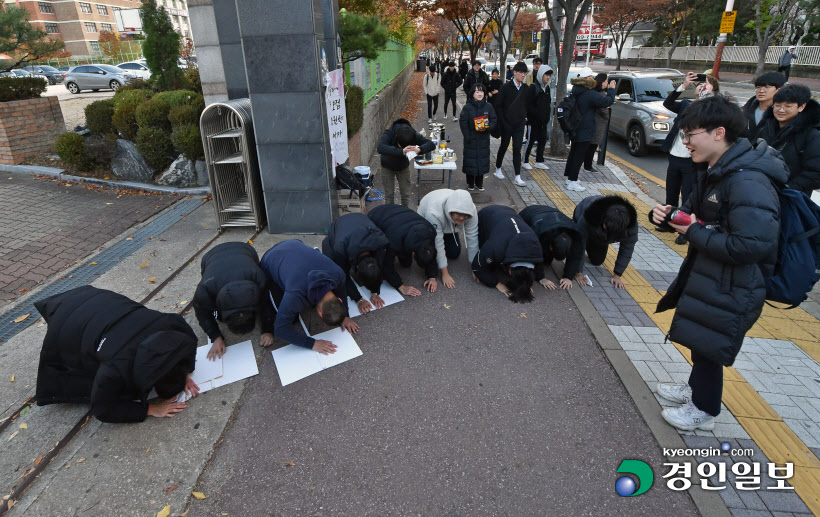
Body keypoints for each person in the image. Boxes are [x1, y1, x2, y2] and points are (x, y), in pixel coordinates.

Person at [651, 95, 786, 431]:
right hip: (714, 274)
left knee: (710, 347)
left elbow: (751, 246)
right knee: (702, 341)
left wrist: (693, 230)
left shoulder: (748, 180)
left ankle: (705, 410)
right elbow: (696, 215)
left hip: (735, 282)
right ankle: (696, 391)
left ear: (717, 132)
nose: (686, 143)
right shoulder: (717, 169)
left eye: (690, 135)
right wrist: (667, 217)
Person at [34, 286, 198, 423]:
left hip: (101, 300)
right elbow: (102, 409)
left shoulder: (169, 323)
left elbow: (188, 339)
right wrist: (151, 409)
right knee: (85, 377)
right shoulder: (115, 366)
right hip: (66, 320)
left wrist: (185, 370)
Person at [261, 240, 359, 355]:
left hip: (295, 244)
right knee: (286, 314)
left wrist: (345, 316)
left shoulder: (338, 274)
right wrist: (312, 343)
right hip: (270, 257)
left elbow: (342, 290)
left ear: (339, 300)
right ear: (320, 314)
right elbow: (280, 329)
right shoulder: (296, 295)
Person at [660, 71, 718, 245]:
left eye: (705, 85)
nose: (701, 87)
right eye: (699, 85)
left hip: (692, 160)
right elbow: (668, 103)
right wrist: (684, 85)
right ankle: (668, 222)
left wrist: (707, 97)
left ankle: (684, 230)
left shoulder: (710, 109)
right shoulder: (686, 104)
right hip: (675, 154)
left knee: (687, 196)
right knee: (671, 191)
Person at [192, 242, 275, 361]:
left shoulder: (259, 278)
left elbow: (267, 304)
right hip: (210, 257)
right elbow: (202, 313)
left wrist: (267, 330)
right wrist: (215, 337)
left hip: (246, 250)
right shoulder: (205, 290)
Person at [322, 213, 419, 313]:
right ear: (357, 267)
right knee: (334, 268)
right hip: (339, 226)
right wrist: (358, 299)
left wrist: (375, 292)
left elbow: (382, 265)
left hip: (360, 219)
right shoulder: (340, 248)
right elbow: (343, 276)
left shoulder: (381, 242)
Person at [471, 205, 544, 303]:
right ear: (510, 271)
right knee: (489, 263)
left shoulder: (535, 250)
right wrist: (496, 284)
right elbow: (477, 265)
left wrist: (535, 281)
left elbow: (538, 264)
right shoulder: (496, 248)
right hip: (488, 214)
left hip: (509, 213)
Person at [757, 83, 820, 195]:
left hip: (789, 197)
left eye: (788, 106)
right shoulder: (765, 126)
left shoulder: (812, 135)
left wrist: (787, 189)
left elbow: (815, 174)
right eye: (777, 105)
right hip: (759, 190)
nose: (781, 110)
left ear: (801, 107)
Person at [563, 68, 616, 192]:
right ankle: (573, 182)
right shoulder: (588, 93)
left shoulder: (577, 90)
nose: (593, 79)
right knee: (579, 156)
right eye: (591, 77)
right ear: (587, 79)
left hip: (576, 127)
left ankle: (569, 178)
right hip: (585, 129)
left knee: (574, 153)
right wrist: (612, 90)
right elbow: (606, 101)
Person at [571, 194, 638, 289]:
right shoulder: (590, 214)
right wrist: (578, 272)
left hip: (599, 234)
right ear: (604, 220)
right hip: (582, 217)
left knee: (597, 261)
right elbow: (579, 241)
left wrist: (617, 275)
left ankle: (592, 242)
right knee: (574, 242)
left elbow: (627, 249)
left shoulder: (631, 225)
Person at [368, 203, 439, 292]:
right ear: (413, 253)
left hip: (398, 214)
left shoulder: (430, 231)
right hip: (376, 215)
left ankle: (403, 254)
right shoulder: (393, 241)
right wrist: (401, 287)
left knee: (406, 263)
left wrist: (432, 276)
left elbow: (430, 254)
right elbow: (387, 265)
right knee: (379, 262)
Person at [417, 188, 479, 289]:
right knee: (431, 251)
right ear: (451, 210)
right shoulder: (433, 212)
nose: (462, 218)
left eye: (465, 216)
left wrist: (476, 267)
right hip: (427, 220)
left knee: (454, 253)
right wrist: (444, 272)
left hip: (449, 223)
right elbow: (438, 241)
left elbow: (472, 236)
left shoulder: (470, 209)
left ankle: (447, 233)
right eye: (458, 215)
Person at [520, 205, 584, 290]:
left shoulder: (576, 236)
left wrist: (568, 277)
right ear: (550, 245)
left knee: (546, 261)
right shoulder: (539, 232)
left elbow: (575, 256)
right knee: (525, 252)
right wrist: (541, 278)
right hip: (528, 215)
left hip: (551, 217)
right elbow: (535, 253)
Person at [377, 118, 436, 207]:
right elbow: (380, 148)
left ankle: (405, 214)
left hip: (403, 167)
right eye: (401, 146)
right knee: (389, 196)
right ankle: (389, 215)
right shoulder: (389, 133)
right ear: (397, 139)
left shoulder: (413, 134)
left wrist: (419, 149)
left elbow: (431, 144)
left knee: (405, 195)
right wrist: (401, 151)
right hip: (387, 166)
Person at [494, 61, 530, 187]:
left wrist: (525, 118)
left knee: (517, 149)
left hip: (519, 125)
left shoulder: (525, 88)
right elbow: (498, 106)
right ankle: (498, 168)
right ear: (514, 72)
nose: (523, 75)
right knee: (504, 146)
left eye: (524, 73)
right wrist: (503, 121)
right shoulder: (505, 87)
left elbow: (527, 105)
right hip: (507, 124)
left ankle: (517, 176)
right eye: (520, 72)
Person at [459, 83, 497, 192]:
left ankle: (480, 183)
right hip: (470, 139)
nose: (479, 94)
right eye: (477, 91)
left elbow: (494, 119)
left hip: (483, 139)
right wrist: (467, 136)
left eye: (481, 91)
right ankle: (470, 183)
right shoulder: (467, 107)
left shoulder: (488, 106)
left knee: (482, 160)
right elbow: (463, 122)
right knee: (470, 161)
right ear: (472, 94)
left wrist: (488, 127)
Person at [522, 64, 554, 172]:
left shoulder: (547, 88)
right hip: (533, 121)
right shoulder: (533, 87)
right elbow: (528, 104)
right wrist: (534, 115)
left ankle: (539, 161)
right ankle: (525, 161)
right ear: (541, 75)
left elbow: (548, 104)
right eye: (546, 75)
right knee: (530, 141)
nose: (548, 77)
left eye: (549, 75)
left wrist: (547, 117)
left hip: (543, 122)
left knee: (542, 140)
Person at [742, 72, 785, 141]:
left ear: (778, 90)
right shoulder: (745, 110)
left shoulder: (781, 114)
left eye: (767, 87)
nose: (761, 91)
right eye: (758, 87)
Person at [582, 73, 610, 174]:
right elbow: (604, 110)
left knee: (590, 144)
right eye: (606, 81)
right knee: (593, 145)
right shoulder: (601, 94)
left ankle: (587, 163)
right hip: (598, 123)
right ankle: (588, 165)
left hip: (592, 121)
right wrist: (607, 116)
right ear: (602, 82)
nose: (607, 83)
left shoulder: (592, 92)